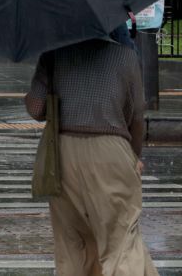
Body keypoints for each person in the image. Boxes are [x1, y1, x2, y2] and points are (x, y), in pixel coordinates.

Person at [24, 39, 158, 276]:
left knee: (73, 246)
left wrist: (35, 90)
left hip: (63, 155)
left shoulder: (54, 53)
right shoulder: (125, 56)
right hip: (111, 150)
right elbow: (136, 115)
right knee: (120, 241)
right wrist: (134, 155)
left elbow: (36, 109)